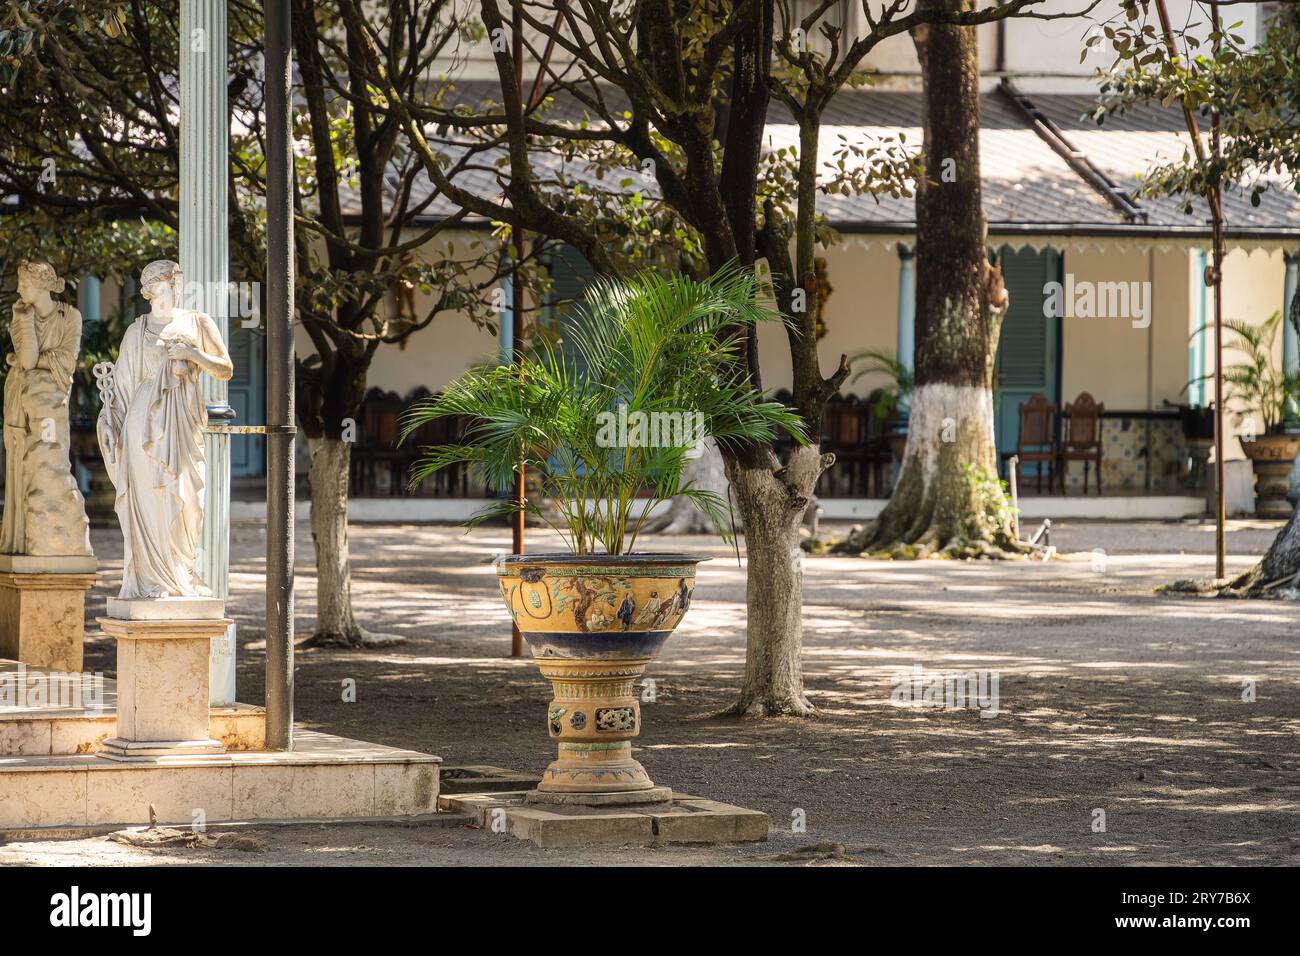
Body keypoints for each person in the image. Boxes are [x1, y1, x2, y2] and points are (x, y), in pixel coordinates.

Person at [97, 260, 233, 599]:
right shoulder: (137, 330)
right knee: (150, 501)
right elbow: (122, 388)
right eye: (171, 283)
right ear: (152, 289)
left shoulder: (197, 322)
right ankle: (151, 579)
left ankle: (181, 574)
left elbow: (225, 368)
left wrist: (193, 353)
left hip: (183, 422)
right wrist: (111, 424)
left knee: (189, 500)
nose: (176, 289)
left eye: (177, 283)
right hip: (142, 427)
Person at [1, 261, 92, 556]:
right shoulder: (20, 316)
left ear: (40, 287)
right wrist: (26, 325)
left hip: (53, 402)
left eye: (24, 285)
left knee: (51, 459)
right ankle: (23, 538)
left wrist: (33, 363)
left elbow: (67, 362)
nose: (18, 289)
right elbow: (27, 361)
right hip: (22, 400)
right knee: (23, 466)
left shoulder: (70, 317)